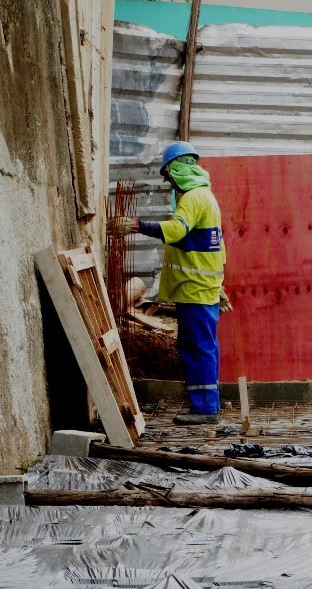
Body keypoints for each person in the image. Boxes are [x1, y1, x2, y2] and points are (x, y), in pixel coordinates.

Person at [111, 142, 228, 425]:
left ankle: (205, 410)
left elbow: (176, 231)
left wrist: (136, 225)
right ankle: (207, 403)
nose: (170, 185)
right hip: (202, 288)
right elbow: (217, 246)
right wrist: (220, 286)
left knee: (198, 347)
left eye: (169, 178)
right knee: (202, 345)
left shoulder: (193, 198)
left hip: (194, 288)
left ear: (175, 172)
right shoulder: (206, 196)